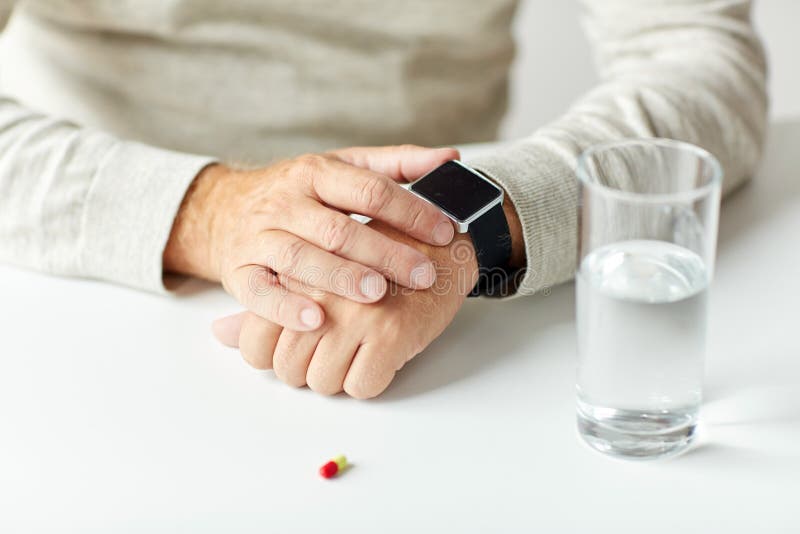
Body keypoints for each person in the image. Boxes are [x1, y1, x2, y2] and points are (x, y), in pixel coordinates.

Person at [0, 1, 767, 398]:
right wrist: (212, 212)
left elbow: (699, 57)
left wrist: (469, 218)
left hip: (459, 318)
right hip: (85, 288)